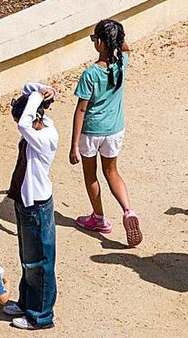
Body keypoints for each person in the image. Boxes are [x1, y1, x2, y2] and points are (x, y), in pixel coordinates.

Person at [68, 18, 142, 247]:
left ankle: (98, 218)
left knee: (91, 175)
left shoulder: (90, 74)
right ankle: (128, 211)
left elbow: (81, 110)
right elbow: (126, 48)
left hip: (92, 131)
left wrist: (73, 145)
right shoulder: (122, 63)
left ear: (100, 42)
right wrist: (116, 39)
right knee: (112, 171)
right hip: (114, 130)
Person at [4, 83, 59, 330]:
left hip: (36, 206)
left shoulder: (43, 137)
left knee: (40, 263)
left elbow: (24, 124)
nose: (17, 124)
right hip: (25, 202)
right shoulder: (39, 126)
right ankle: (26, 303)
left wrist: (36, 97)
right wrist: (44, 91)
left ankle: (41, 315)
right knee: (28, 258)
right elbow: (28, 87)